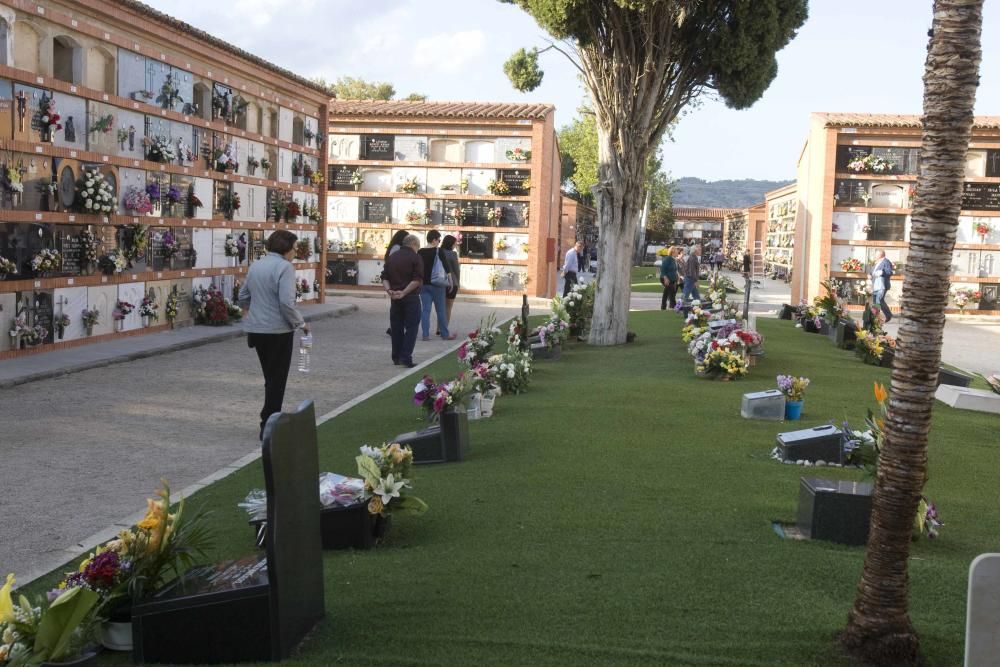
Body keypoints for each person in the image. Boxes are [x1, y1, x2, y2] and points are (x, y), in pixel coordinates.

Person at [238, 229, 308, 441]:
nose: (295, 253)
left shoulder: (257, 264)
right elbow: (286, 303)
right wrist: (301, 322)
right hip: (278, 330)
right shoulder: (284, 267)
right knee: (277, 379)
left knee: (270, 377)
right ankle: (269, 423)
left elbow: (243, 295)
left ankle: (268, 418)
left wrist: (250, 313)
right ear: (286, 248)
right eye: (294, 248)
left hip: (257, 330)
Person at [382, 234, 424, 368]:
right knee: (412, 327)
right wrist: (404, 292)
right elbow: (417, 279)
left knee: (396, 327)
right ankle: (406, 357)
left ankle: (396, 356)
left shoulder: (392, 257)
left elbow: (384, 277)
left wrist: (390, 291)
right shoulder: (416, 257)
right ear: (414, 245)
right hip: (410, 297)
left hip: (394, 297)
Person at [417, 230, 455, 340]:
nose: (439, 242)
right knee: (441, 310)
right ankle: (445, 334)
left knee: (426, 310)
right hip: (438, 284)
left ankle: (425, 335)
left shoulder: (420, 252)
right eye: (438, 240)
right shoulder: (439, 251)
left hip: (424, 285)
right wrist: (450, 282)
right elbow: (447, 268)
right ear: (434, 240)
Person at [384, 229, 410, 335]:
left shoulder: (396, 247)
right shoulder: (397, 248)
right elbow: (395, 263)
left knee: (397, 304)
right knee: (397, 304)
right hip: (397, 279)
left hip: (395, 278)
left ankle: (394, 327)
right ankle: (394, 327)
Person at [440, 234, 461, 332]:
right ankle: (444, 329)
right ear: (451, 244)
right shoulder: (453, 254)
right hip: (452, 282)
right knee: (448, 308)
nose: (455, 245)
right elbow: (456, 270)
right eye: (455, 243)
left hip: (440, 281)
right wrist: (458, 281)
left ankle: (438, 328)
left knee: (441, 307)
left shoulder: (438, 252)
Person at [870, 249, 894, 322]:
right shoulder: (878, 262)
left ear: (881, 254)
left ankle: (888, 315)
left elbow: (889, 272)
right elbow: (873, 272)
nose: (875, 256)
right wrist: (870, 274)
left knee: (879, 300)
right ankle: (875, 316)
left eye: (876, 254)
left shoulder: (886, 262)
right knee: (875, 301)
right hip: (875, 285)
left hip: (881, 285)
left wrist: (881, 272)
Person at [659, 245, 680, 310]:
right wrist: (665, 278)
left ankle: (663, 307)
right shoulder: (668, 259)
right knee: (672, 292)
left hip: (672, 280)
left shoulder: (674, 260)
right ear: (672, 252)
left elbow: (675, 270)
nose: (677, 253)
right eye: (676, 251)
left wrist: (678, 277)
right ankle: (674, 307)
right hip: (666, 279)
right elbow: (663, 269)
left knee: (666, 293)